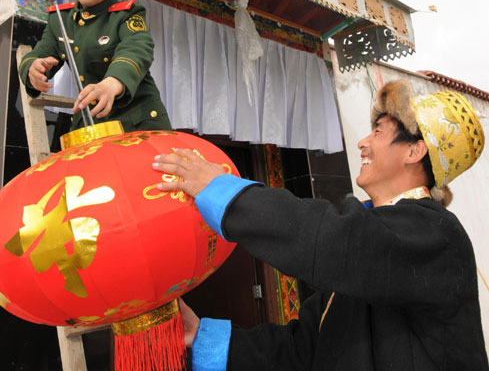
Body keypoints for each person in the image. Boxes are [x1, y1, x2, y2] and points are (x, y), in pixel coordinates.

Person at [153, 80, 488, 371]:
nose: (362, 143)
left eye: (378, 131)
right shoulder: (369, 246)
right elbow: (303, 350)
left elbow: (334, 240)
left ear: (415, 150)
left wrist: (222, 191)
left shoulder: (438, 234)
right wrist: (201, 336)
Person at [19, 0, 171, 132]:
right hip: (92, 125)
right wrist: (33, 69)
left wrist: (112, 83)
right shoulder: (60, 20)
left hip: (137, 125)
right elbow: (40, 54)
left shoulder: (127, 14)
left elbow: (137, 48)